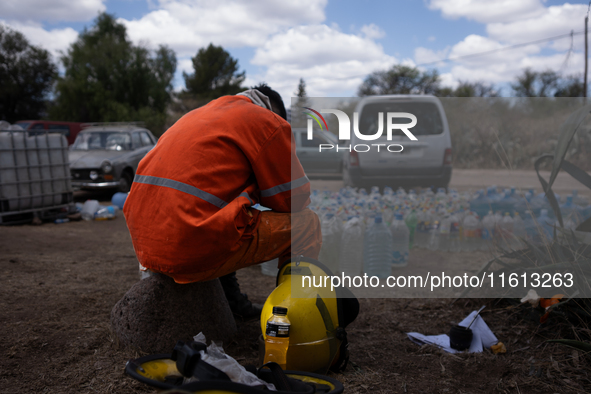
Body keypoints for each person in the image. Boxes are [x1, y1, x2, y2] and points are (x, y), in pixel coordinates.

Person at [123, 84, 322, 320]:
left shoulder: (200, 115)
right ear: (272, 110)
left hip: (146, 246)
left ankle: (231, 302)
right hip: (186, 244)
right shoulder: (267, 121)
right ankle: (295, 315)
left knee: (229, 214)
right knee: (307, 225)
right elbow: (293, 201)